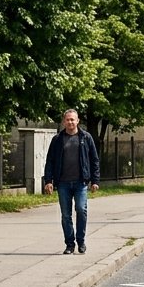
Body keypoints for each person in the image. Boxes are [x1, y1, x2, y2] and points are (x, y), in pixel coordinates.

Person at [42, 109, 100, 254]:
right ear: (64, 122)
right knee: (66, 215)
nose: (70, 122)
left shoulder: (86, 138)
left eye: (73, 119)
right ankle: (69, 244)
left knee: (81, 210)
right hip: (63, 183)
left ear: (77, 121)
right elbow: (50, 161)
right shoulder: (57, 139)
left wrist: (95, 180)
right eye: (68, 120)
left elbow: (94, 160)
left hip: (81, 183)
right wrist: (48, 181)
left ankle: (81, 242)